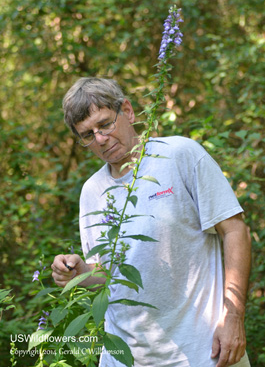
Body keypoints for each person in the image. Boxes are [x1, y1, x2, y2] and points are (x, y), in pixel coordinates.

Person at [51, 77, 251, 367]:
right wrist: (80, 272)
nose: (100, 139)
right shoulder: (92, 192)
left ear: (128, 111)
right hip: (126, 358)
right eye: (88, 134)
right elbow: (108, 277)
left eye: (105, 124)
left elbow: (235, 230)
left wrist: (233, 317)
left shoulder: (180, 155)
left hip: (205, 352)